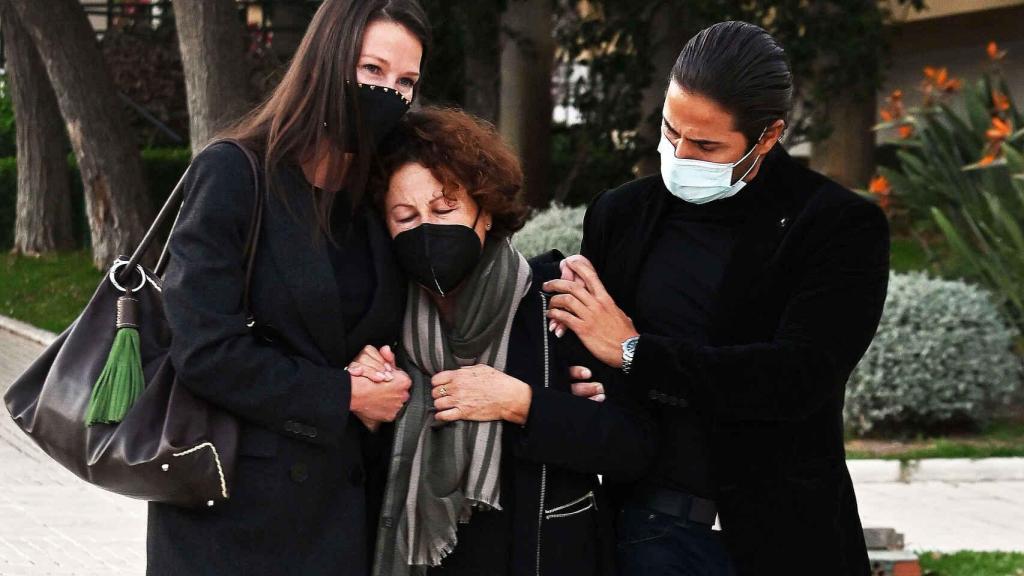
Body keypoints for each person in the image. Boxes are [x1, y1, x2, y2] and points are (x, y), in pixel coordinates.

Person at [546, 21, 889, 576]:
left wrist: (635, 352)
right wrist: (587, 377)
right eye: (670, 130)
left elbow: (797, 377)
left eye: (706, 144)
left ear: (768, 136)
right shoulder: (621, 214)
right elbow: (595, 357)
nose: (679, 153)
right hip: (643, 531)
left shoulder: (836, 226)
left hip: (781, 539)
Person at [148, 1, 430, 574]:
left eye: (406, 81)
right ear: (327, 61)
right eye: (372, 70)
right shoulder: (235, 172)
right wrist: (343, 395)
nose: (389, 94)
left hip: (342, 516)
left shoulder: (376, 195)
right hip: (232, 520)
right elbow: (204, 348)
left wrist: (384, 374)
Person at [350, 107, 656, 576]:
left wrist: (522, 404)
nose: (427, 229)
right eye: (405, 216)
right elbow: (362, 471)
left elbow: (630, 447)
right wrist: (367, 404)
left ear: (485, 210)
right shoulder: (381, 321)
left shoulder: (556, 302)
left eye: (445, 208)